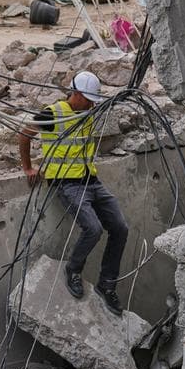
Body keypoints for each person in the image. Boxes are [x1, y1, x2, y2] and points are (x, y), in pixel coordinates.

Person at [17, 71, 129, 315]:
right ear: (76, 93)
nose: (91, 105)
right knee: (93, 228)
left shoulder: (88, 111)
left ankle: (107, 285)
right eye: (88, 99)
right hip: (67, 184)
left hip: (92, 181)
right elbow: (25, 135)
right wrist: (27, 167)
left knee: (120, 227)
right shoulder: (52, 113)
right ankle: (74, 269)